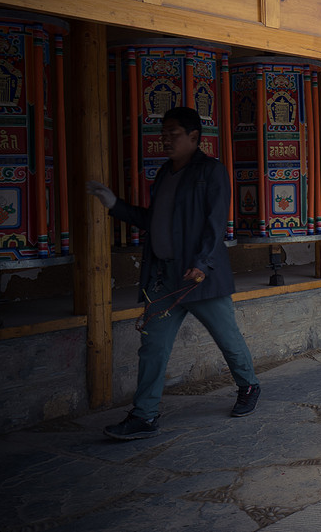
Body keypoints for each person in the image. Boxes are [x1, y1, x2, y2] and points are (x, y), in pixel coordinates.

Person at [87, 106, 260, 440]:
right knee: (152, 347)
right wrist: (114, 205)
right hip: (163, 279)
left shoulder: (211, 172)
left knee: (228, 339)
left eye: (173, 133)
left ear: (194, 137)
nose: (165, 139)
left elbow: (215, 224)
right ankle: (144, 416)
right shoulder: (165, 173)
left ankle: (249, 385)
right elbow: (153, 221)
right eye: (163, 133)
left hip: (199, 278)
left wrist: (203, 264)